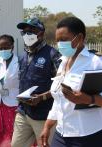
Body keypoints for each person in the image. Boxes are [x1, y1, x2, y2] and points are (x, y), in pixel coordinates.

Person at [40, 17, 102, 147]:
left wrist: (89, 99)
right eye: (57, 40)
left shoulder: (96, 61)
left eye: (64, 39)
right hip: (62, 133)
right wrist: (47, 126)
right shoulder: (63, 62)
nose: (59, 44)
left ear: (79, 38)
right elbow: (58, 100)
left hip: (90, 134)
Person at [11, 18, 61, 147]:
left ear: (42, 33)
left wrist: (42, 97)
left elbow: (62, 86)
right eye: (25, 32)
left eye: (32, 30)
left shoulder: (52, 55)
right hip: (23, 112)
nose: (28, 34)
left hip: (44, 115)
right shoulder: (22, 56)